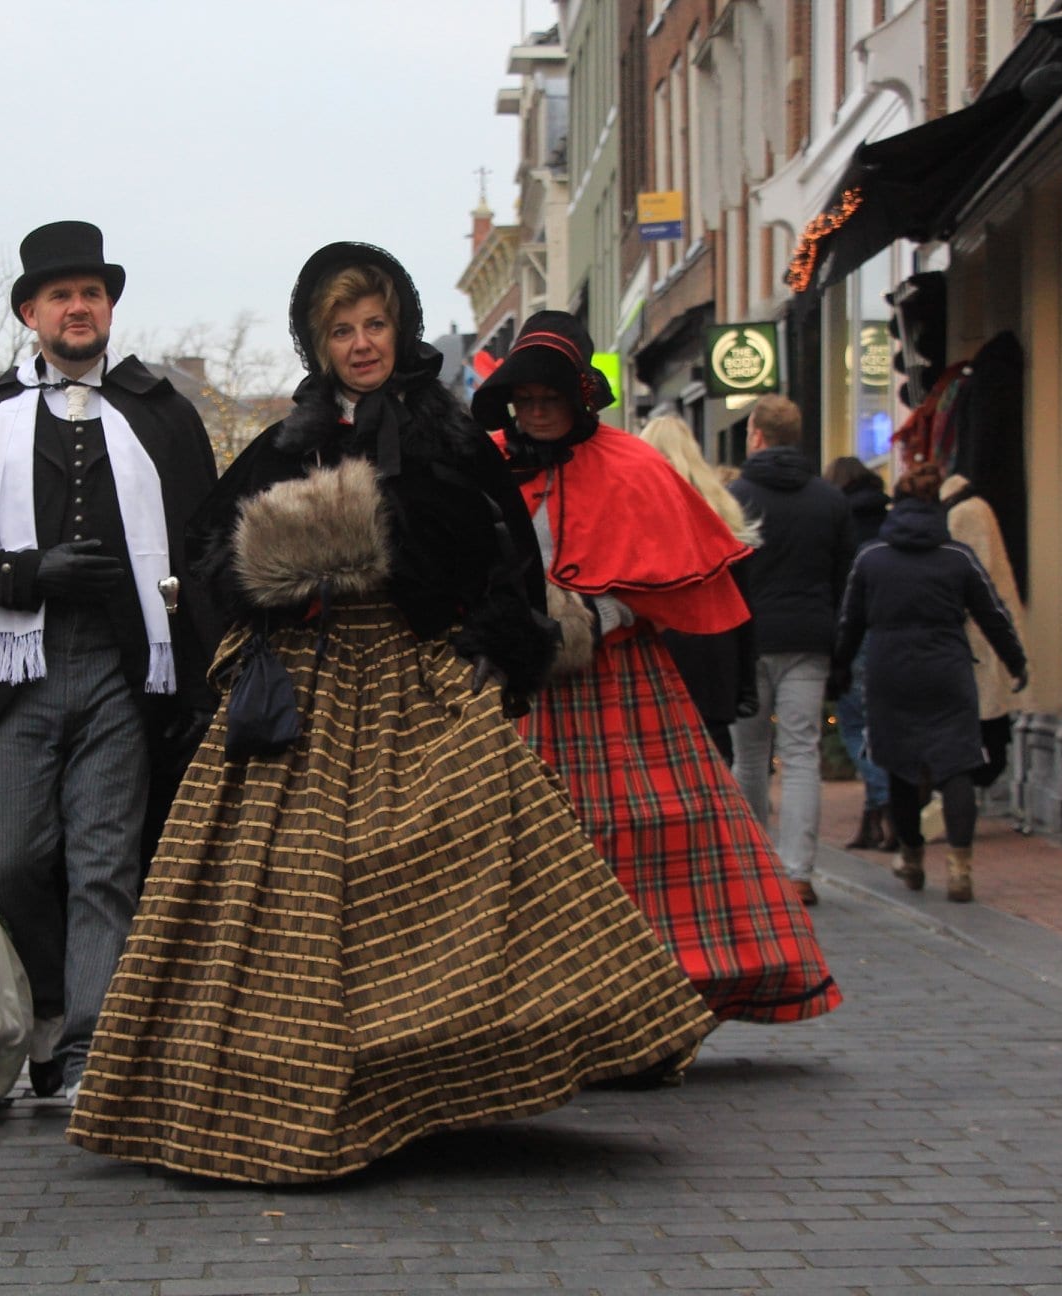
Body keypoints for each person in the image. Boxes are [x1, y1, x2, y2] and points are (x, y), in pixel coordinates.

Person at [65, 243, 715, 1185]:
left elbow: (510, 568)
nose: (362, 343)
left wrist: (485, 643)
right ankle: (279, 1082)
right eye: (342, 329)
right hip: (306, 689)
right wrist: (272, 586)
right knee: (287, 892)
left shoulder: (449, 434)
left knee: (452, 877)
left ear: (400, 325)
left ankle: (438, 1080)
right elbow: (208, 549)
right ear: (318, 342)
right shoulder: (288, 438)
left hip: (419, 686)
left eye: (374, 324)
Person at [475, 323, 838, 1027]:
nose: (538, 411)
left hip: (617, 682)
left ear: (579, 397)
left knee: (644, 828)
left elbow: (661, 581)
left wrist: (591, 619)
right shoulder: (486, 467)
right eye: (526, 398)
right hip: (516, 686)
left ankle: (660, 984)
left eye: (551, 397)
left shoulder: (633, 467)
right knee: (517, 840)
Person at [0, 220, 217, 1102]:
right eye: (61, 295)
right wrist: (26, 573)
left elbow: (208, 544)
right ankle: (50, 1011)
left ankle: (89, 1051)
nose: (79, 308)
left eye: (92, 294)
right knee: (14, 855)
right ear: (31, 312)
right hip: (14, 662)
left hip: (126, 663)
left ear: (110, 308)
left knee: (106, 860)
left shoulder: (162, 413)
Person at [835, 462, 1026, 902]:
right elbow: (993, 614)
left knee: (902, 767)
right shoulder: (957, 558)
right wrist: (1016, 662)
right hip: (947, 670)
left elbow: (850, 621)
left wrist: (840, 669)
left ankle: (912, 857)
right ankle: (960, 868)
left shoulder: (872, 558)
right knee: (957, 764)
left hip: (890, 671)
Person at [728, 396, 856, 905]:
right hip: (808, 639)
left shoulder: (736, 497)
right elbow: (844, 577)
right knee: (802, 752)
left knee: (750, 754)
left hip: (750, 637)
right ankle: (798, 871)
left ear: (756, 434)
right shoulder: (829, 500)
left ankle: (757, 864)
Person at [640, 414, 761, 764]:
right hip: (714, 664)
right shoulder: (722, 515)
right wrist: (744, 685)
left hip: (657, 661)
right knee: (716, 770)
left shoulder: (638, 514)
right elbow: (743, 611)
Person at [823, 455, 896, 852]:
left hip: (854, 630)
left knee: (853, 724)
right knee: (878, 725)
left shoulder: (837, 520)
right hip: (891, 632)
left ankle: (885, 802)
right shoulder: (888, 519)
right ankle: (875, 819)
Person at [940, 470, 1025, 792]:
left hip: (975, 635)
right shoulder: (970, 509)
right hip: (978, 634)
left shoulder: (966, 513)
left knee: (982, 720)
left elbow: (977, 579)